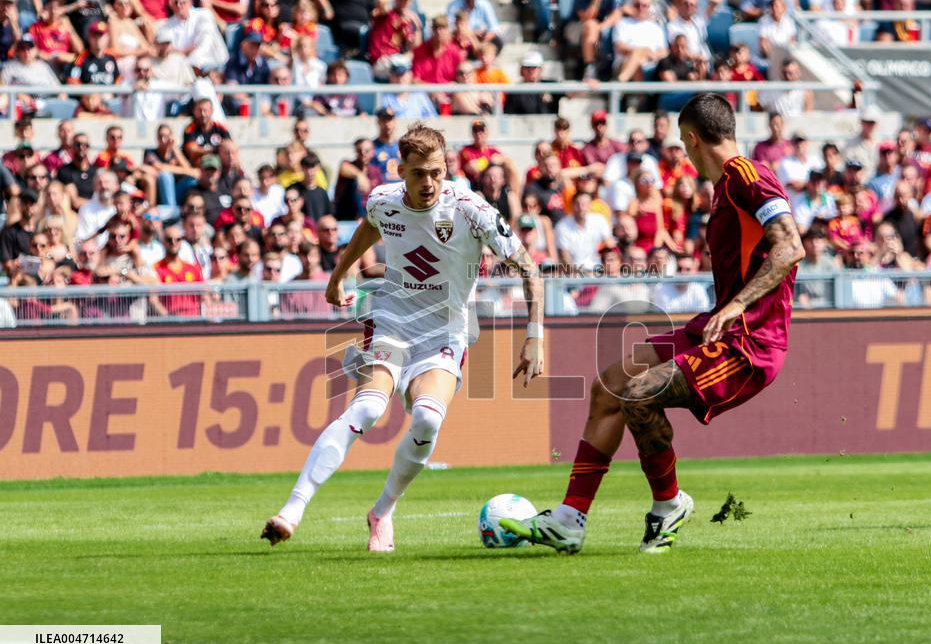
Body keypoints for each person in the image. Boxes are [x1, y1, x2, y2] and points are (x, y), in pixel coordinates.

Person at [502, 93, 804, 554]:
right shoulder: (727, 184)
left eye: (684, 146)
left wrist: (737, 305)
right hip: (716, 328)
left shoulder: (747, 176)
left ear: (691, 138)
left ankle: (669, 505)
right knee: (610, 385)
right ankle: (568, 519)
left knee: (637, 395)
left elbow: (790, 247)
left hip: (749, 344)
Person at [261, 123, 545, 551]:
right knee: (369, 406)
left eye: (436, 171)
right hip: (393, 321)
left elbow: (529, 268)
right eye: (417, 173)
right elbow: (369, 230)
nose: (428, 182)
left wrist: (534, 336)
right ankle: (292, 510)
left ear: (445, 166)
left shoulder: (472, 210)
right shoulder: (383, 201)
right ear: (401, 170)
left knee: (428, 418)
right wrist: (338, 277)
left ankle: (382, 511)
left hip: (446, 332)